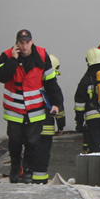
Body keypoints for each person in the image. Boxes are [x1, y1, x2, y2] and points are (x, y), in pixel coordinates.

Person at [0, 29, 62, 183]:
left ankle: (28, 171)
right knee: (15, 142)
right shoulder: (7, 55)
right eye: (21, 43)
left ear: (32, 41)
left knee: (32, 143)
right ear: (17, 44)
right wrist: (13, 60)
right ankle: (15, 169)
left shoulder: (42, 56)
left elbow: (51, 82)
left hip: (35, 109)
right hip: (14, 109)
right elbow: (0, 76)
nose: (24, 46)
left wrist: (56, 103)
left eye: (27, 42)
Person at [32, 54, 66, 184]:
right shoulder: (53, 90)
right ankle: (40, 179)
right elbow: (60, 110)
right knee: (43, 154)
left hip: (32, 128)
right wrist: (61, 125)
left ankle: (29, 176)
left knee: (32, 152)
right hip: (46, 128)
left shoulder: (34, 87)